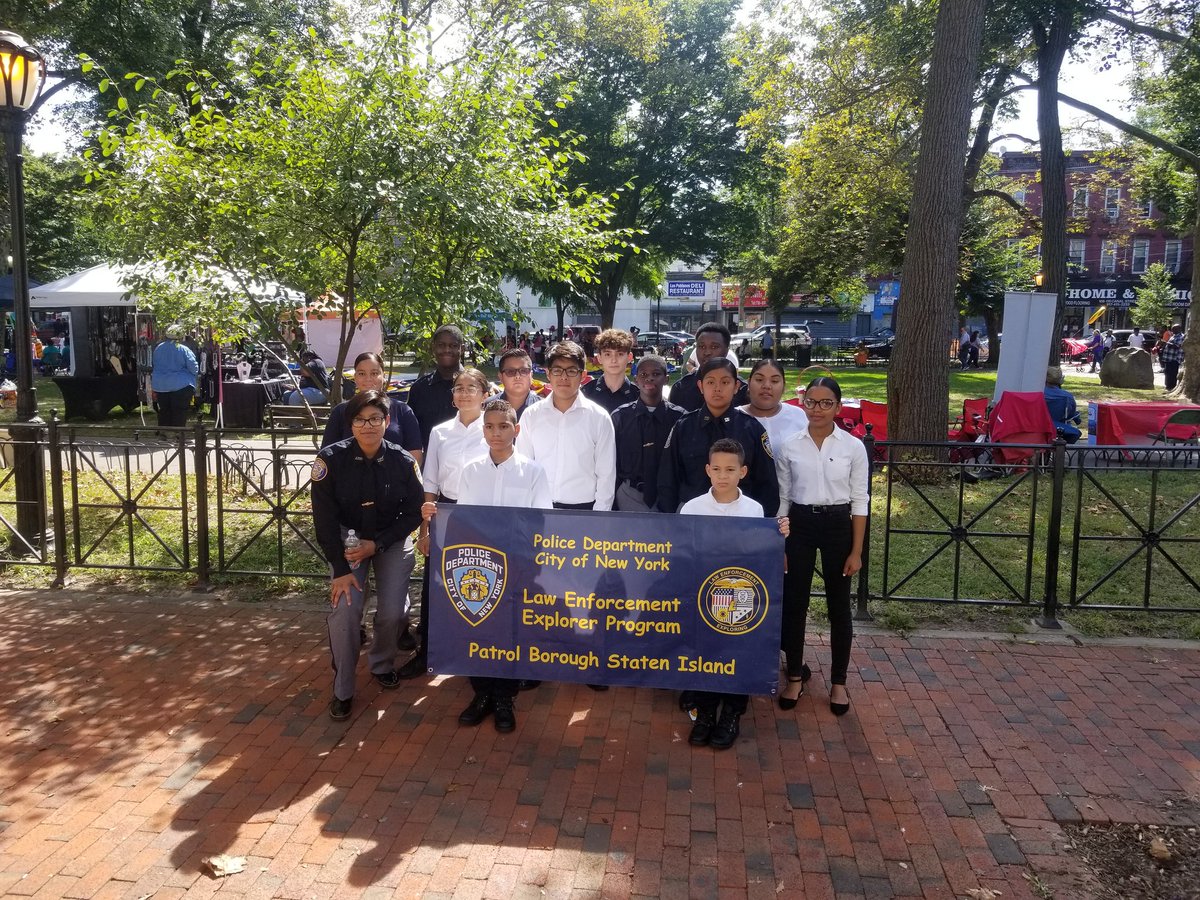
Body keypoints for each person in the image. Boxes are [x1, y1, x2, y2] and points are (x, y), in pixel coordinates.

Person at [422, 399, 552, 733]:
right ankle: (481, 693)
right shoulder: (472, 470)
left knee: (511, 630)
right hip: (481, 565)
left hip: (519, 564)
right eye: (490, 427)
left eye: (504, 426)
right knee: (477, 625)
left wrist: (527, 560)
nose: (496, 433)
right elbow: (465, 519)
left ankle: (505, 697)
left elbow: (541, 521)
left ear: (516, 430)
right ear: (483, 431)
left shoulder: (533, 472)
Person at [310, 391, 424, 720]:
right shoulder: (330, 460)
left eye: (375, 419)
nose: (368, 426)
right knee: (346, 611)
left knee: (393, 612)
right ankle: (343, 688)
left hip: (391, 539)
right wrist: (340, 568)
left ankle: (382, 663)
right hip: (347, 543)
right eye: (360, 420)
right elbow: (324, 520)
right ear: (350, 424)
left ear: (387, 422)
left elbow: (413, 512)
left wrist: (379, 543)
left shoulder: (403, 461)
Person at [681, 438, 790, 750]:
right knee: (704, 651)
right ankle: (705, 713)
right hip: (703, 596)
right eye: (717, 469)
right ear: (707, 470)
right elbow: (683, 552)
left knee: (737, 650)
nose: (723, 475)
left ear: (743, 472)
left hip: (740, 595)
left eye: (730, 469)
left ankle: (732, 712)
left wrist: (778, 534)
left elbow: (759, 552)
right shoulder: (692, 508)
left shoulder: (754, 510)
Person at [776, 376, 868, 718]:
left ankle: (839, 682)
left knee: (838, 606)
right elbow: (783, 497)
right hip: (798, 524)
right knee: (795, 603)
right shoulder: (789, 446)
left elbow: (860, 500)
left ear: (838, 407)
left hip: (837, 525)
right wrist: (780, 542)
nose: (817, 409)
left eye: (826, 402)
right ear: (803, 404)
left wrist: (856, 551)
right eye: (811, 402)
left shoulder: (852, 447)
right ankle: (795, 676)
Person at [402, 368, 491, 679]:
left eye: (471, 387)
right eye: (458, 388)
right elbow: (430, 481)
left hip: (483, 515)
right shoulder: (440, 432)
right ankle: (428, 652)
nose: (464, 393)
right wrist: (425, 530)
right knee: (437, 586)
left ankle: (478, 654)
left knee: (479, 584)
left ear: (485, 394)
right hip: (447, 512)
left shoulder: (494, 428)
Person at [657, 357, 778, 515]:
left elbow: (767, 485)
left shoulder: (752, 429)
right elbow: (667, 479)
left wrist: (761, 525)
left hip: (740, 517)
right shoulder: (684, 427)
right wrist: (671, 521)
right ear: (701, 386)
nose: (717, 388)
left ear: (736, 386)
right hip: (693, 517)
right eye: (710, 382)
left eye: (725, 382)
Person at [516, 341, 616, 511]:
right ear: (548, 374)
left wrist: (599, 518)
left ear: (583, 375)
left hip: (584, 510)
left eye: (571, 371)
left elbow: (606, 474)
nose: (564, 377)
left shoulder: (599, 418)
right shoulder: (531, 415)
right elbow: (523, 467)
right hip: (539, 508)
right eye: (557, 370)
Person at [611, 354, 685, 512]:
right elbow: (611, 463)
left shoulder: (680, 418)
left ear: (666, 379)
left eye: (656, 374)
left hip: (669, 496)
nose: (649, 378)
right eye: (643, 374)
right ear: (636, 379)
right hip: (630, 494)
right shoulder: (620, 417)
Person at [322, 352, 423, 465]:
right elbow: (327, 455)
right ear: (355, 377)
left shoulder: (402, 410)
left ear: (383, 376)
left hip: (395, 475)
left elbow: (415, 455)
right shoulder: (340, 412)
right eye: (362, 373)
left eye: (374, 373)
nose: (368, 379)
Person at [739, 358, 807, 514]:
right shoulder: (735, 417)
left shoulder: (797, 416)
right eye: (759, 380)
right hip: (745, 506)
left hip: (793, 506)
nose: (766, 386)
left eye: (775, 381)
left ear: (784, 386)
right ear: (748, 383)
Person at [407, 325, 465, 448]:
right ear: (433, 348)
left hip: (469, 457)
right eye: (441, 345)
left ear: (462, 349)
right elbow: (410, 432)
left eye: (453, 345)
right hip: (429, 458)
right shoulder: (419, 389)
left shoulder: (476, 387)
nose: (447, 350)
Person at [671, 323, 749, 412]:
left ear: (726, 351)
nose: (707, 352)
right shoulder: (680, 388)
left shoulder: (743, 390)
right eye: (702, 347)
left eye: (714, 347)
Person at [581, 328, 639, 414]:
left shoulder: (639, 396)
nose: (614, 360)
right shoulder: (585, 393)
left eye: (620, 354)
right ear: (599, 358)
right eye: (608, 354)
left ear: (629, 357)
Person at [151, 326, 199, 428]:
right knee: (179, 411)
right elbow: (193, 367)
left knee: (164, 411)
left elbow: (155, 364)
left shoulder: (158, 348)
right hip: (181, 385)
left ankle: (164, 432)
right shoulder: (184, 349)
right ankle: (178, 433)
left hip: (161, 385)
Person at [495, 348, 542, 420]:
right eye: (510, 371)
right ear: (501, 377)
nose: (517, 376)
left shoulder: (544, 408)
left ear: (531, 375)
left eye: (523, 371)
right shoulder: (487, 407)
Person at [1043, 366, 1081, 443]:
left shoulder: (1039, 393)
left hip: (1040, 426)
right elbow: (1071, 414)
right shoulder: (1067, 396)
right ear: (1061, 379)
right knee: (1075, 432)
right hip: (1059, 427)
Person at [1160, 324, 1185, 391]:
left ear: (1179, 329)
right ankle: (1167, 386)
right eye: (1172, 329)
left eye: (1174, 329)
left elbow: (1177, 346)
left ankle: (1172, 387)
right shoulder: (1173, 336)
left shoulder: (1181, 337)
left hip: (1175, 358)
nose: (1172, 330)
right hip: (1168, 358)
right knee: (1167, 372)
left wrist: (1166, 343)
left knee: (1173, 373)